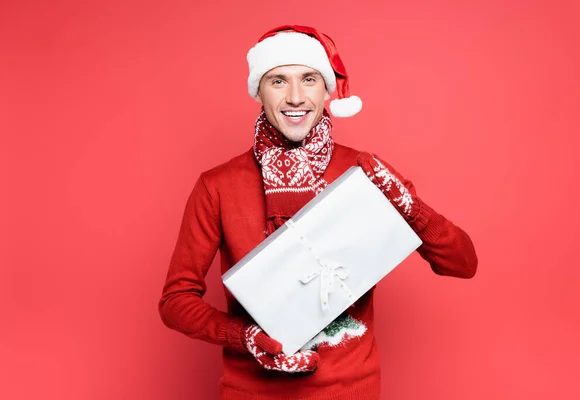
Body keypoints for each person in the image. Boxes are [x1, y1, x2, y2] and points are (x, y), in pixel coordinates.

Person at [158, 24, 478, 400]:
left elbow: (463, 263)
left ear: (326, 89)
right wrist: (244, 337)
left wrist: (413, 211)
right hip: (252, 392)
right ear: (258, 90)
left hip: (351, 391)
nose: (295, 97)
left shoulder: (365, 172)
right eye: (278, 81)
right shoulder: (217, 185)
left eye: (309, 79)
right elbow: (175, 302)